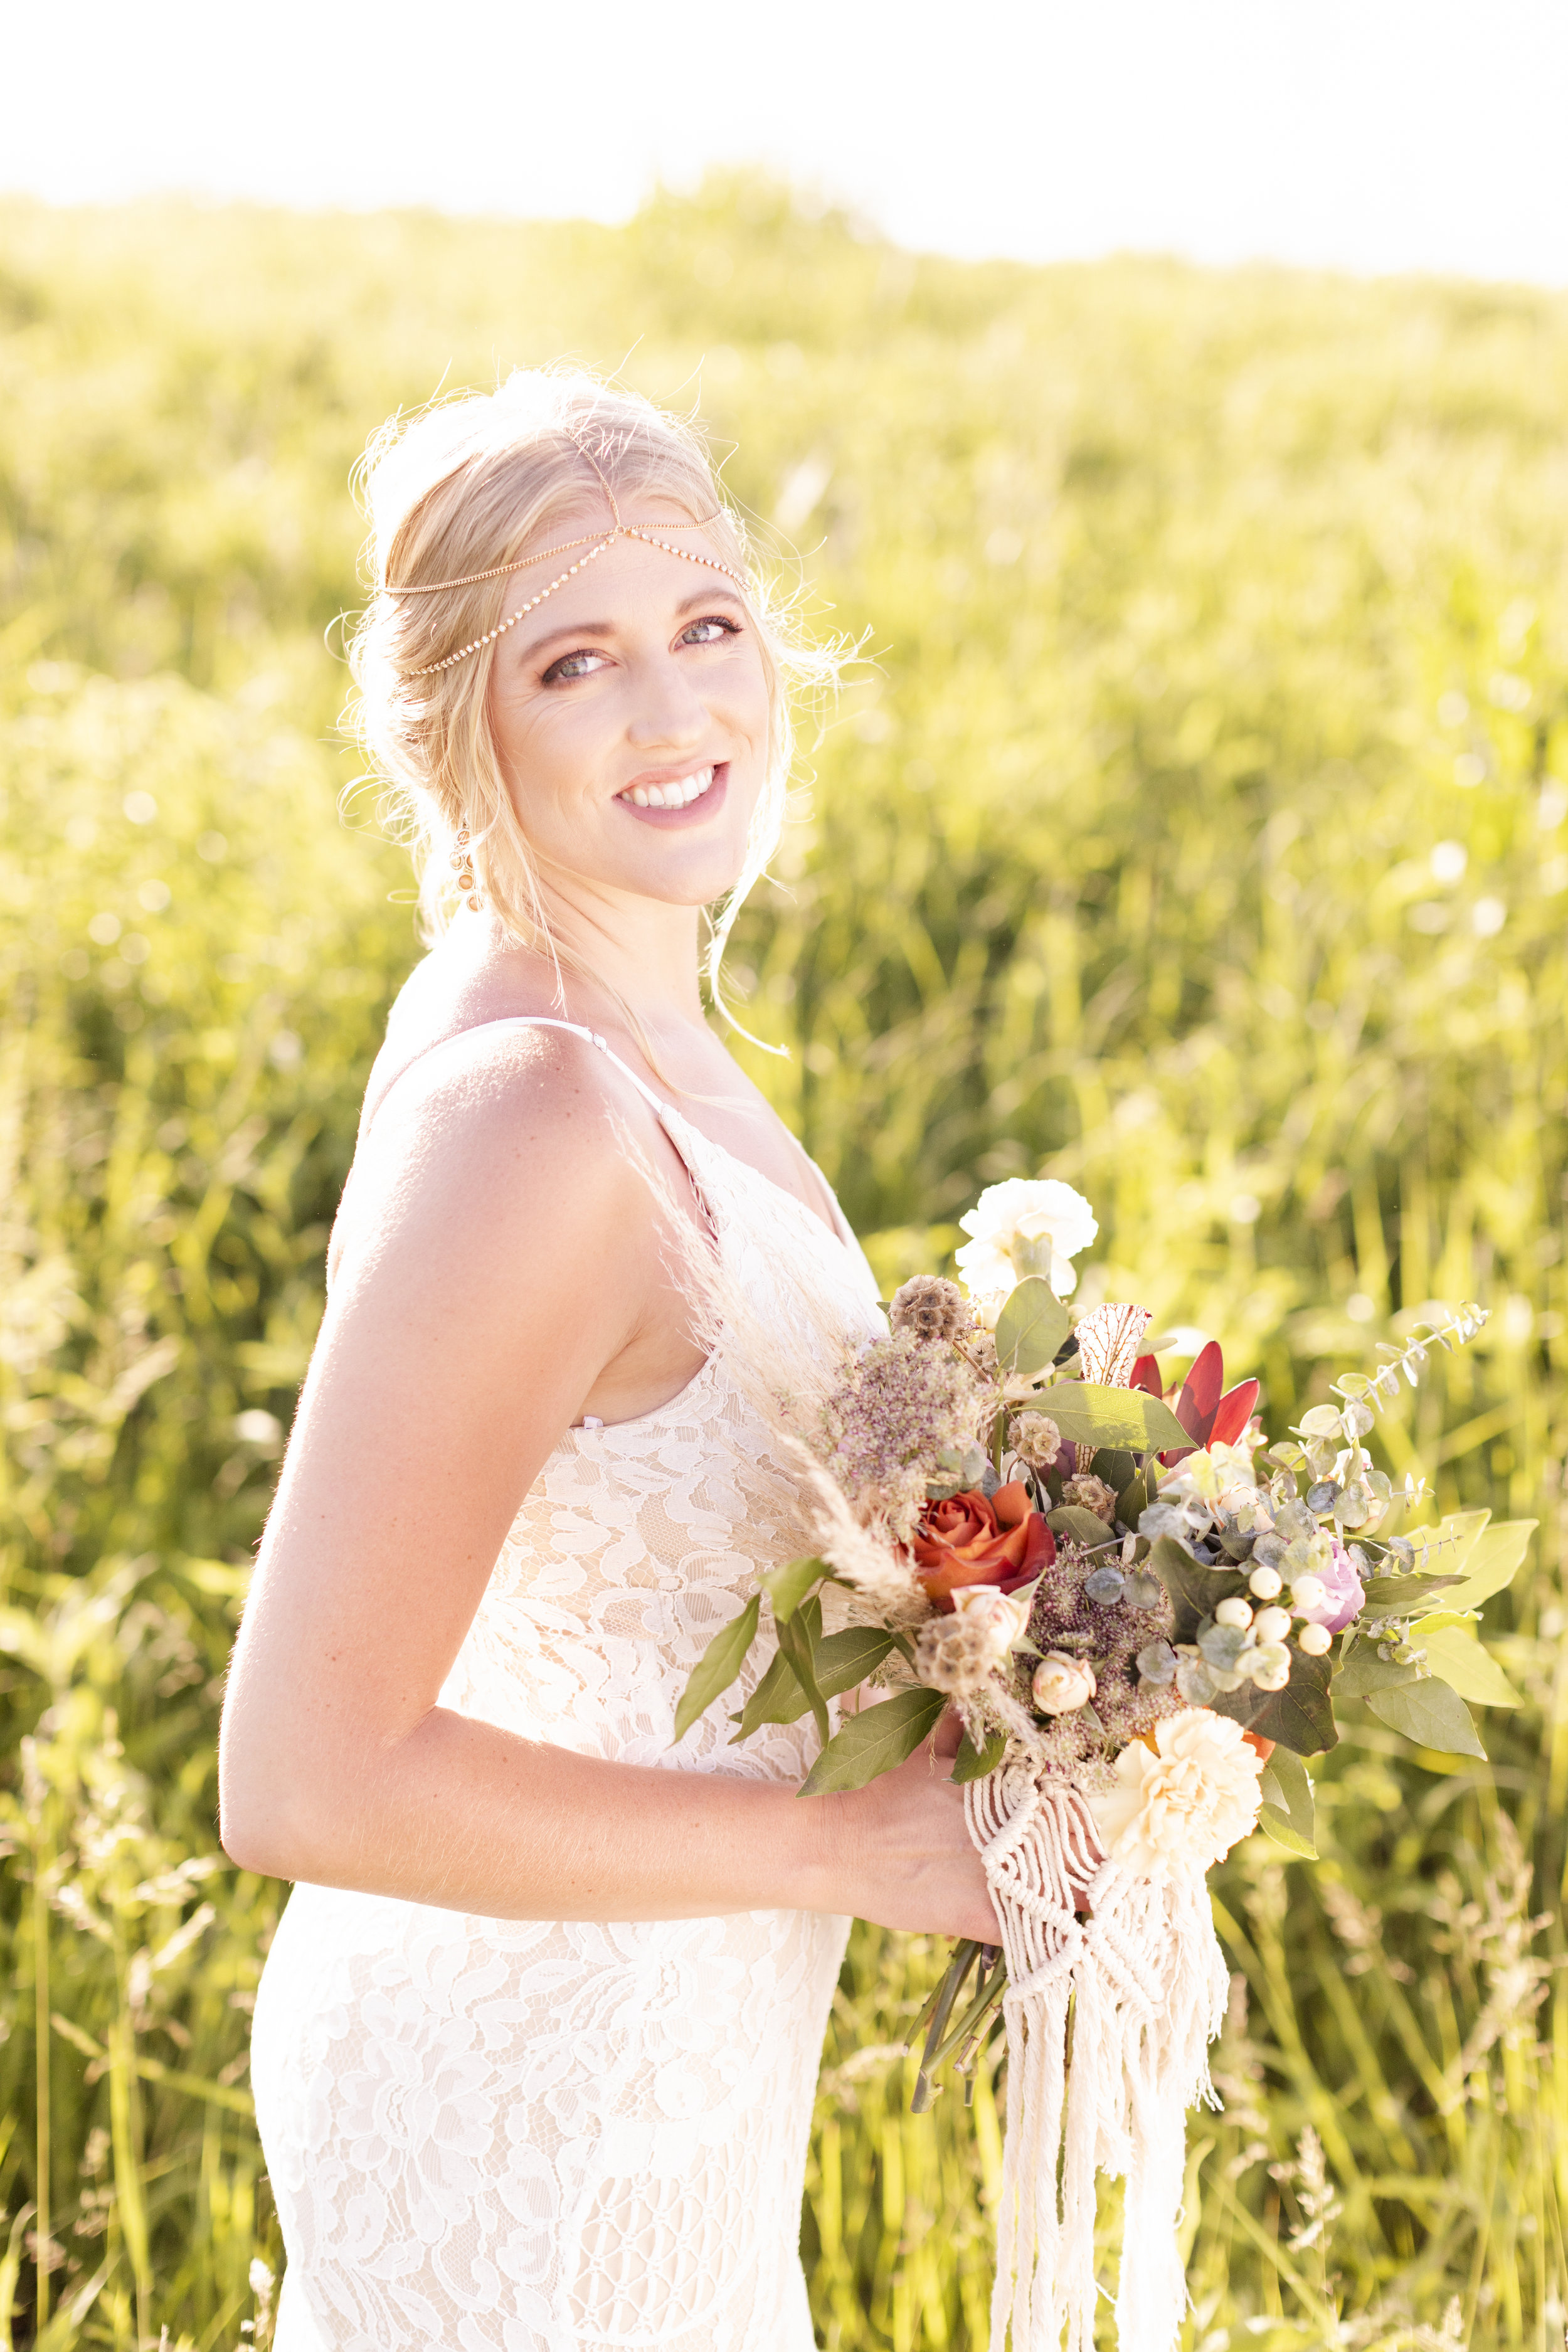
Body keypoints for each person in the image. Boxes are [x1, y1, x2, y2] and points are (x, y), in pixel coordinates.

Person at [218, 369, 996, 2352]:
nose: (674, 714)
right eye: (575, 664)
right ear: (451, 727)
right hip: (535, 2100)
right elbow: (303, 1777)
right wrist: (843, 1847)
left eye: (705, 627)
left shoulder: (643, 1030)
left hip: (676, 2064)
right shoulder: (531, 1110)